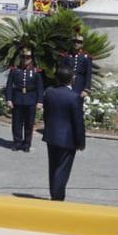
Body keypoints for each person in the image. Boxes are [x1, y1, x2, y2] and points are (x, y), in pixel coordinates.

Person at [41, 67, 85, 200]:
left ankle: (54, 193)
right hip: (67, 139)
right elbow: (78, 122)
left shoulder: (49, 92)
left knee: (53, 167)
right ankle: (57, 198)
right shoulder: (74, 97)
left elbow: (46, 114)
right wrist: (80, 142)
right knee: (62, 169)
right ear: (72, 79)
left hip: (51, 135)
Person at [5, 47, 43, 152]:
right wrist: (9, 99)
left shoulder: (36, 71)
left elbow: (40, 87)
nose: (25, 59)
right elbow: (9, 86)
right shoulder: (14, 70)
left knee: (29, 124)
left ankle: (27, 144)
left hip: (31, 100)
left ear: (31, 59)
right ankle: (17, 143)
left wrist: (40, 101)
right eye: (23, 57)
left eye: (28, 57)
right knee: (16, 123)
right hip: (17, 99)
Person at [59, 33, 93, 102]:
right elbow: (61, 72)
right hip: (66, 85)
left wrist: (86, 89)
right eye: (74, 41)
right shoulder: (66, 56)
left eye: (79, 42)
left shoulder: (86, 57)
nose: (76, 44)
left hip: (79, 85)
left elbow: (88, 74)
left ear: (82, 44)